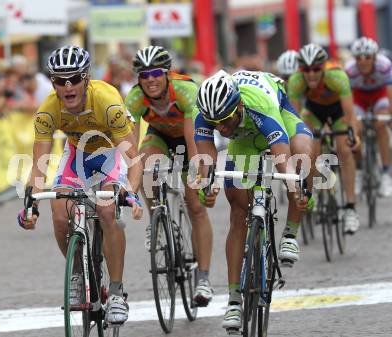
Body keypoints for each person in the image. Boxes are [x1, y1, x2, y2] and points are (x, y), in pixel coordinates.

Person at [16, 45, 143, 326]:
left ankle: (118, 293)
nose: (68, 86)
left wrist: (130, 191)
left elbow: (133, 158)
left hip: (111, 154)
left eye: (74, 78)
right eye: (60, 81)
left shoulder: (107, 100)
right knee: (59, 213)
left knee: (107, 211)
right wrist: (30, 202)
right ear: (53, 83)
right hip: (77, 156)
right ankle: (78, 271)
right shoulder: (48, 110)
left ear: (86, 79)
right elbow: (39, 164)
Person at [193, 69, 314, 331]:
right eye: (215, 124)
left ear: (238, 105)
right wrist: (207, 186)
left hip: (277, 116)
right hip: (245, 141)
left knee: (302, 155)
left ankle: (291, 234)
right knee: (237, 213)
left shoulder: (260, 106)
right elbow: (207, 162)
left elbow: (283, 162)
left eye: (225, 120)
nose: (221, 129)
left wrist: (298, 190)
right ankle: (234, 301)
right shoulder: (205, 114)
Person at [125, 45, 214, 307]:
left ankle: (204, 278)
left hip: (189, 141)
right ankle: (156, 217)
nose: (150, 79)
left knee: (195, 206)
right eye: (144, 75)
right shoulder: (134, 98)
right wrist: (130, 177)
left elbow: (192, 136)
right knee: (143, 163)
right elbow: (130, 143)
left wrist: (199, 174)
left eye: (155, 73)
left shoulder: (185, 90)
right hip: (160, 136)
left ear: (166, 73)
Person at [287, 43, 361, 234]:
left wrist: (353, 135)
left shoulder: (337, 76)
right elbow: (293, 119)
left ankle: (351, 208)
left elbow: (349, 113)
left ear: (324, 67)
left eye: (316, 69)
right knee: (309, 151)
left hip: (338, 112)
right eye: (306, 70)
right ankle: (311, 194)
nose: (311, 74)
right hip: (313, 112)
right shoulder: (295, 82)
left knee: (344, 150)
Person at [345, 36, 392, 197]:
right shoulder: (350, 70)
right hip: (359, 99)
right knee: (356, 130)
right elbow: (348, 100)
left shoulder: (384, 66)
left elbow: (390, 93)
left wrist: (389, 116)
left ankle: (386, 173)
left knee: (381, 125)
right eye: (359, 57)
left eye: (367, 57)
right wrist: (351, 120)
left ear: (375, 57)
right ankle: (358, 172)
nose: (363, 61)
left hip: (379, 96)